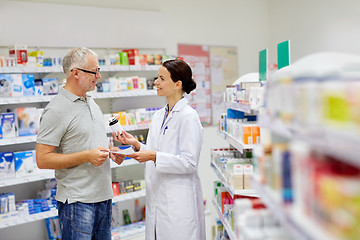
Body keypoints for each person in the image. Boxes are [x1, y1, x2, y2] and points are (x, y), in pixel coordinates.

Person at [36, 47, 125, 240]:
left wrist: (110, 151)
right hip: (77, 202)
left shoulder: (91, 102)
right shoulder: (56, 110)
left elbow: (86, 143)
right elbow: (42, 159)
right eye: (94, 71)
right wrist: (87, 157)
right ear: (75, 73)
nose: (99, 76)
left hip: (103, 196)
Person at [113, 59, 206, 240]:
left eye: (162, 78)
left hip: (178, 203)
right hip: (158, 200)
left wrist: (154, 156)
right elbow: (157, 151)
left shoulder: (188, 117)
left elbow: (189, 163)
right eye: (157, 77)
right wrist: (136, 144)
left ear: (178, 84)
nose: (156, 82)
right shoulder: (158, 116)